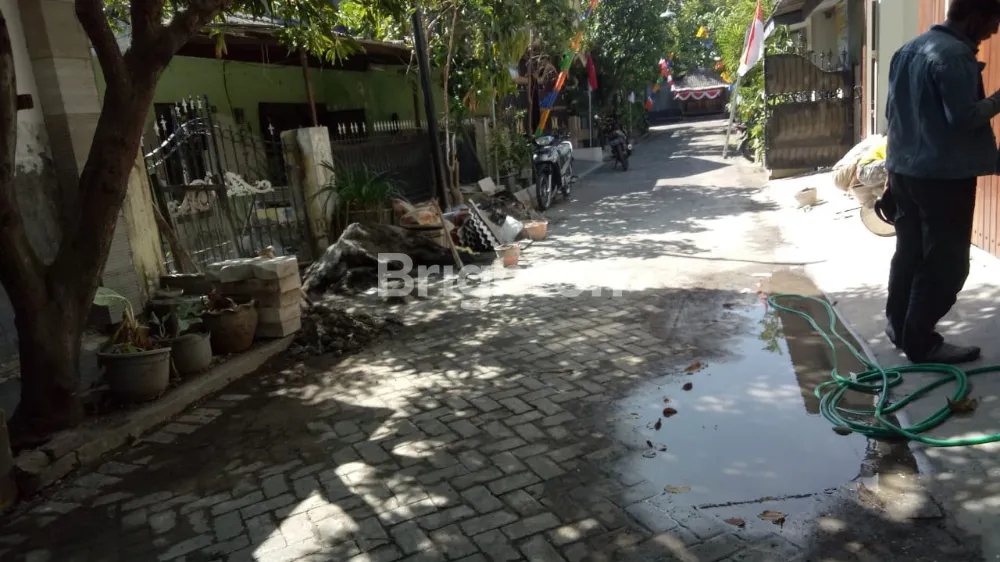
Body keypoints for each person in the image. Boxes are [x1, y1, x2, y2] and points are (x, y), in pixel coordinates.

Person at [884, 0, 1000, 364]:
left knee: (910, 254)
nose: (994, 31)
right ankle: (921, 342)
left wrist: (891, 172)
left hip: (904, 173)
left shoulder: (907, 50)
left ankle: (899, 327)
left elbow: (892, 114)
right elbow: (963, 118)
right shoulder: (955, 55)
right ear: (974, 17)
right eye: (992, 22)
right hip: (943, 179)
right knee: (947, 264)